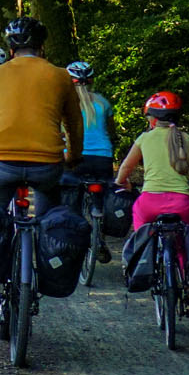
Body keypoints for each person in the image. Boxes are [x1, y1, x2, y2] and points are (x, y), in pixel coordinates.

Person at [0, 17, 84, 329]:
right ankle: (43, 266)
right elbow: (74, 124)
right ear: (42, 46)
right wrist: (73, 157)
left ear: (10, 47)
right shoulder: (60, 76)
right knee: (49, 221)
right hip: (47, 163)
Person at [115, 90, 189, 318]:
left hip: (149, 202)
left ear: (152, 119)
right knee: (182, 246)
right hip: (181, 203)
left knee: (143, 232)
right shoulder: (187, 140)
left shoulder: (144, 139)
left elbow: (125, 169)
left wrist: (123, 183)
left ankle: (144, 263)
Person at [66, 60, 118, 262]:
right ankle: (100, 238)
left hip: (75, 157)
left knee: (71, 199)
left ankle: (72, 238)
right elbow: (111, 131)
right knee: (101, 198)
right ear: (92, 80)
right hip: (102, 157)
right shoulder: (103, 103)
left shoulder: (65, 105)